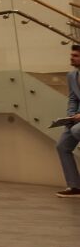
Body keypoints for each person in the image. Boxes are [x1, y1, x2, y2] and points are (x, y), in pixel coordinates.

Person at [56, 44, 80, 198]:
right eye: (72, 55)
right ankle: (75, 187)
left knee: (77, 130)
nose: (71, 58)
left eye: (75, 55)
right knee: (62, 146)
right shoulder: (71, 75)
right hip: (76, 118)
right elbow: (72, 98)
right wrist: (70, 116)